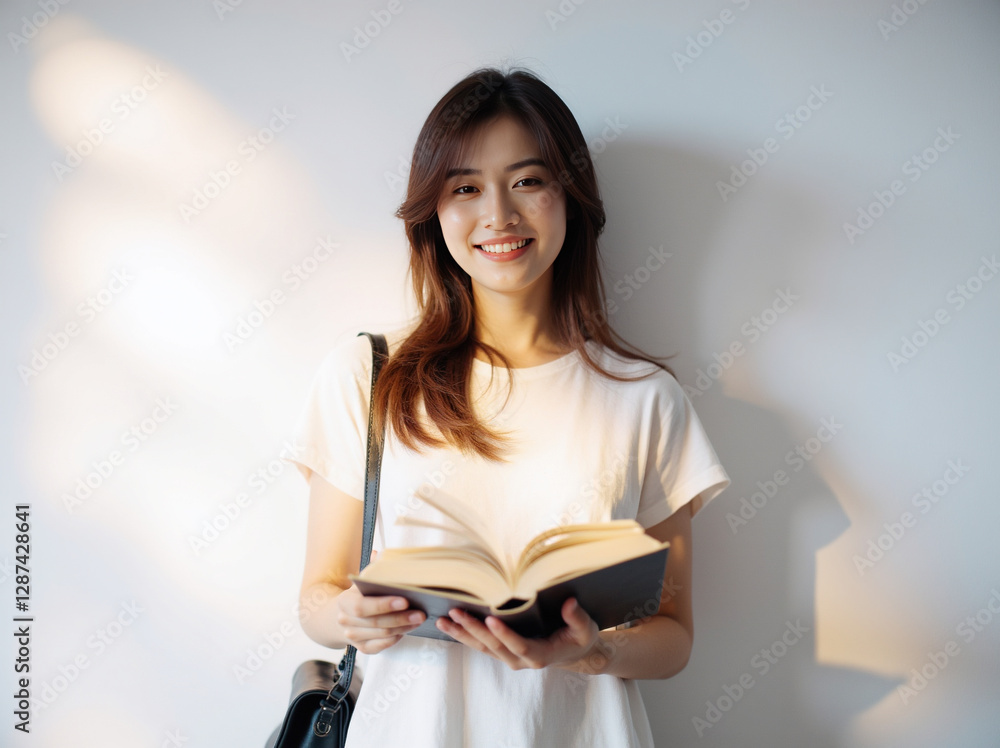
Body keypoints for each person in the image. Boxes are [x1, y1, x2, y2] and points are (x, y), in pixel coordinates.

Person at [287, 66, 730, 748]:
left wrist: (593, 651)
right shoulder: (368, 376)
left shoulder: (646, 399)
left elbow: (674, 636)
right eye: (465, 187)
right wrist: (349, 616)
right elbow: (316, 597)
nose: (499, 215)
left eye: (528, 180)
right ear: (434, 211)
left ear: (569, 195)